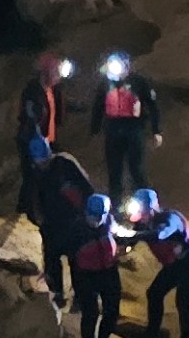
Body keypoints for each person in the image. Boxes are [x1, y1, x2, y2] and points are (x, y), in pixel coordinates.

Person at [126, 188, 189, 338]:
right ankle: (152, 333)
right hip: (173, 266)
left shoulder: (170, 218)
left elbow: (162, 233)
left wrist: (135, 234)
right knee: (154, 293)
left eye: (142, 212)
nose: (140, 217)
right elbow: (131, 239)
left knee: (183, 303)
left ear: (151, 209)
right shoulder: (142, 224)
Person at [89, 52, 162, 200]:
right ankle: (116, 206)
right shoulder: (105, 84)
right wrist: (94, 130)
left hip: (134, 129)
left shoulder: (139, 82)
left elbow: (153, 106)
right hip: (113, 129)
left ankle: (145, 203)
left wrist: (156, 131)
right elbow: (98, 106)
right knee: (114, 171)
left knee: (137, 169)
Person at [32, 145, 97, 308]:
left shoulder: (65, 163)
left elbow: (87, 187)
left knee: (77, 261)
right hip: (52, 223)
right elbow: (35, 194)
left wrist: (87, 214)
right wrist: (39, 218)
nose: (42, 165)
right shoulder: (37, 171)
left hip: (74, 221)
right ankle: (56, 295)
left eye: (44, 161)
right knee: (51, 260)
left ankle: (81, 298)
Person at [68, 191, 123, 338]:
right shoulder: (75, 230)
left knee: (112, 312)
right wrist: (53, 275)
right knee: (90, 315)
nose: (95, 220)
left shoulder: (108, 222)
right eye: (92, 215)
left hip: (108, 271)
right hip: (85, 276)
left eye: (100, 216)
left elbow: (118, 232)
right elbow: (58, 250)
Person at [16, 53, 72, 220]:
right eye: (56, 73)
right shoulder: (32, 91)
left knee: (48, 175)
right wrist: (38, 142)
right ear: (46, 73)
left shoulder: (52, 90)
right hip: (32, 141)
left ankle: (36, 209)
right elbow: (30, 116)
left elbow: (59, 108)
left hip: (48, 139)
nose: (58, 77)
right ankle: (27, 212)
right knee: (32, 177)